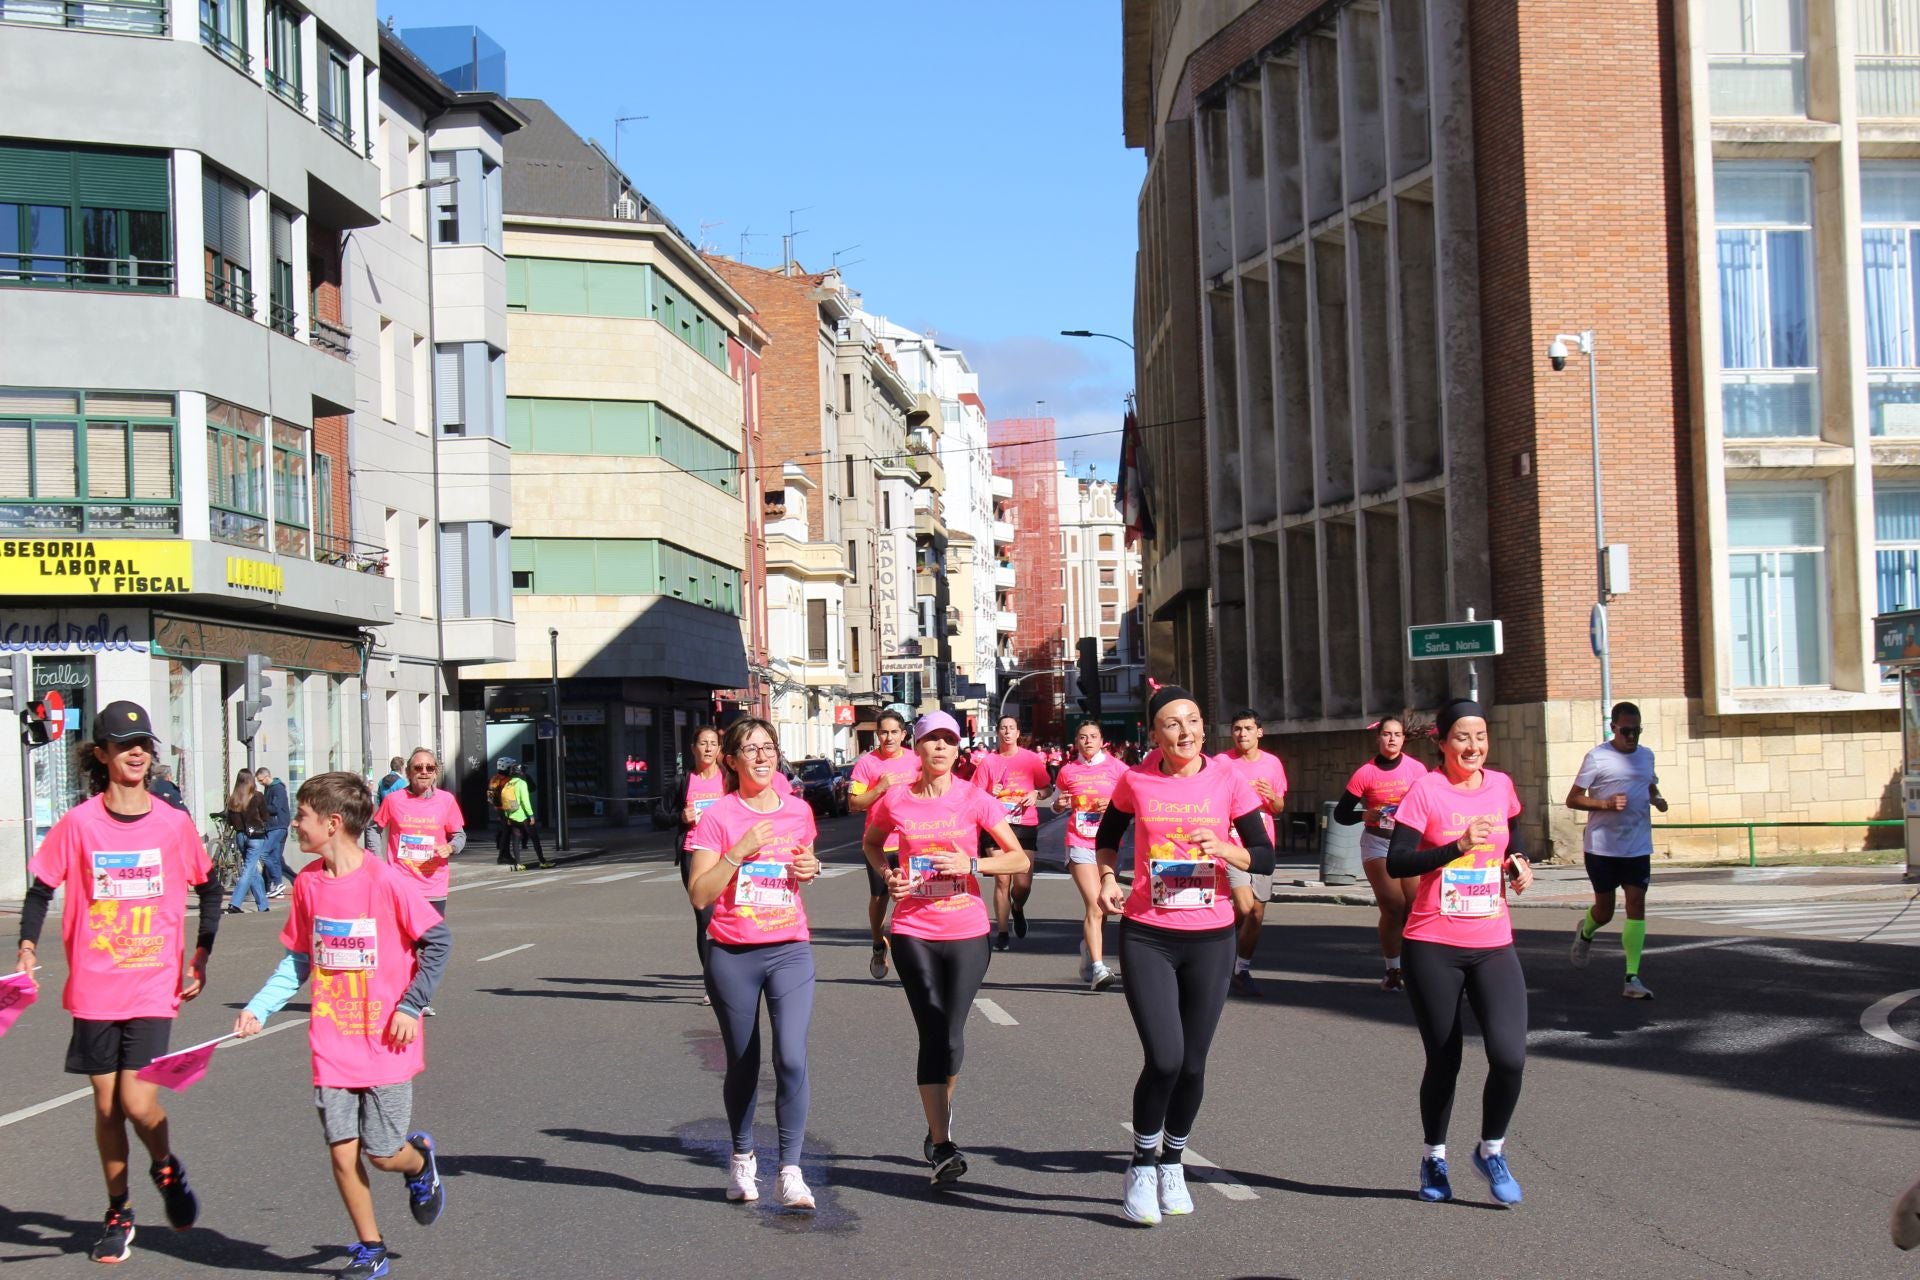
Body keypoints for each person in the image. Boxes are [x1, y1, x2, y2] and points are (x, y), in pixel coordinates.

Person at [14, 703, 222, 1263]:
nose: (136, 752)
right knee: (107, 1107)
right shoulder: (79, 824)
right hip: (94, 986)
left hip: (152, 983)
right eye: (124, 743)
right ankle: (118, 1210)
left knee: (136, 1099)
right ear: (101, 754)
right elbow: (40, 887)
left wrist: (201, 952)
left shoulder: (173, 823)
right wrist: (28, 944)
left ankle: (165, 1165)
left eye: (144, 743)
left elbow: (209, 885)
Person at [234, 771, 451, 1280]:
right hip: (332, 1043)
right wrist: (259, 1007)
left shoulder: (387, 881)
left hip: (386, 1044)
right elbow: (298, 961)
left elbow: (438, 943)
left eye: (302, 818)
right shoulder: (307, 884)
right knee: (342, 1151)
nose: (294, 828)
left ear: (332, 824)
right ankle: (369, 1247)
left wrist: (410, 1005)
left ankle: (418, 1162)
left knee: (381, 1153)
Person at [1093, 687, 1273, 1226]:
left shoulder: (1227, 778)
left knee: (1193, 1064)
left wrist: (1225, 850)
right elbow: (1107, 836)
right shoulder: (1136, 779)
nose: (1186, 731)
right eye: (1172, 724)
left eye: (1193, 720)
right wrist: (1107, 878)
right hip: (1148, 932)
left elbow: (1261, 854)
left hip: (1212, 936)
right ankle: (1142, 1165)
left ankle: (1173, 1160)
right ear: (1154, 734)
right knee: (1165, 1058)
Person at [863, 711, 1028, 1186]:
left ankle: (939, 1125)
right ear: (917, 748)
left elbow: (1015, 856)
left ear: (959, 750)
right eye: (931, 740)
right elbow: (873, 844)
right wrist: (890, 874)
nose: (939, 748)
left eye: (948, 741)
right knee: (933, 1028)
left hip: (968, 929)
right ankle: (942, 1144)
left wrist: (972, 862)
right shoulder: (895, 799)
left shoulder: (975, 799)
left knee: (952, 1033)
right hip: (914, 927)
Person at [1385, 698, 1533, 1207]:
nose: (1474, 746)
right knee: (1444, 1059)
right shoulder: (1426, 791)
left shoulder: (1501, 786)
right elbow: (1400, 861)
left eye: (1481, 737)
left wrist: (1517, 863)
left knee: (1510, 1056)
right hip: (1432, 943)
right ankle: (1434, 1156)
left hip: (1493, 942)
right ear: (1442, 743)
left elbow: (1514, 836)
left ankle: (1491, 1149)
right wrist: (1456, 847)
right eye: (1463, 738)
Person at [685, 718, 822, 1210]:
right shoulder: (717, 817)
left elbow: (801, 867)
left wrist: (810, 868)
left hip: (789, 947)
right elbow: (699, 892)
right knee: (743, 1061)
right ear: (732, 760)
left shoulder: (800, 812)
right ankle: (743, 1158)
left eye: (768, 748)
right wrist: (737, 853)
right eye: (750, 749)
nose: (762, 757)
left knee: (790, 1057)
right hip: (733, 953)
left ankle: (791, 1170)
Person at [1566, 701, 1667, 999]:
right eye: (1626, 731)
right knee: (1605, 911)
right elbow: (1572, 799)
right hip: (1602, 847)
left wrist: (1658, 799)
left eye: (1637, 731)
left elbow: (1649, 785)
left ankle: (1632, 978)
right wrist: (1605, 805)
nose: (1632, 737)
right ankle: (1586, 931)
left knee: (1636, 903)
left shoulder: (1646, 756)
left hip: (1637, 846)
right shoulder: (1598, 758)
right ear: (1613, 728)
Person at [1335, 717, 1430, 991]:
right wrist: (1364, 814)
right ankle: (1393, 970)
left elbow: (1430, 803)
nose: (1391, 739)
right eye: (1386, 734)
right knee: (1393, 906)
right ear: (1378, 738)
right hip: (1378, 843)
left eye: (1397, 734)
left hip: (1410, 844)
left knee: (1414, 908)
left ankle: (1416, 966)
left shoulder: (1416, 770)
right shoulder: (1365, 773)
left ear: (1403, 739)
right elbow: (1341, 814)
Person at [1215, 711, 1288, 999]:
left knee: (1256, 915)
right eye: (1236, 729)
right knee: (1245, 907)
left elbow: (1280, 807)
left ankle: (1239, 968)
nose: (1242, 734)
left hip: (1261, 847)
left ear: (1260, 732)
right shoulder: (1222, 763)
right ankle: (1216, 953)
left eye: (1247, 728)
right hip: (1232, 844)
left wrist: (1272, 796)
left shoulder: (1272, 764)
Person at [1052, 720, 1128, 990]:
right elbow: (1057, 803)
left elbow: (1132, 802)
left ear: (1102, 740)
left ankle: (1088, 952)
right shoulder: (1068, 771)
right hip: (1079, 842)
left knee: (1104, 906)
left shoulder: (1118, 769)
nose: (1087, 741)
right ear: (1076, 741)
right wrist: (1058, 804)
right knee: (1095, 905)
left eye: (1093, 736)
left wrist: (1115, 804)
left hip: (1108, 846)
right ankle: (1098, 968)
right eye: (1082, 737)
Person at [848, 710, 920, 981]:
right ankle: (878, 944)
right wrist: (879, 788)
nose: (888, 737)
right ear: (877, 734)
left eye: (893, 732)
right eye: (883, 732)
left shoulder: (916, 761)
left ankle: (913, 948)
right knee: (880, 896)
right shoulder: (867, 764)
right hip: (879, 843)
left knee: (913, 896)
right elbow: (854, 804)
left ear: (903, 734)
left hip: (911, 841)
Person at [972, 714, 1052, 950]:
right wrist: (990, 792)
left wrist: (1036, 795)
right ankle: (1003, 932)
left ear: (1018, 734)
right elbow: (974, 797)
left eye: (1011, 728)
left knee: (1023, 883)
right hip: (996, 824)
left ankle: (1017, 908)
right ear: (998, 733)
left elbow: (1047, 788)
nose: (1007, 732)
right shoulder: (988, 762)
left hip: (1024, 823)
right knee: (1002, 879)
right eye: (1003, 728)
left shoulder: (1031, 760)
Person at [370, 749, 466, 916]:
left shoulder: (446, 800)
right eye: (418, 767)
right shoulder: (393, 800)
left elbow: (459, 835)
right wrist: (377, 862)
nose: (424, 772)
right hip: (401, 884)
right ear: (408, 772)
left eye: (429, 768)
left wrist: (450, 848)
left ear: (435, 773)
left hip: (433, 885)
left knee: (433, 940)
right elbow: (373, 828)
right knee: (403, 940)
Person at [668, 727, 726, 979]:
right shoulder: (682, 782)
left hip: (727, 854)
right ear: (693, 748)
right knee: (705, 918)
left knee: (727, 914)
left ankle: (732, 973)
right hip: (693, 853)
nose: (709, 748)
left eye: (714, 743)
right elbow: (659, 815)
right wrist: (680, 816)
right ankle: (711, 979)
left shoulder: (729, 779)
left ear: (720, 749)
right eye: (703, 743)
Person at [225, 770, 274, 915]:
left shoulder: (234, 798)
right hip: (256, 837)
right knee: (248, 869)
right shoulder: (257, 796)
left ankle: (263, 905)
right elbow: (265, 816)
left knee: (252, 869)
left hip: (241, 836)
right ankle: (234, 903)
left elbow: (230, 820)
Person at [504, 763, 549, 872]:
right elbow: (525, 801)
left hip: (512, 816)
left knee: (515, 840)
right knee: (534, 838)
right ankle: (542, 862)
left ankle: (519, 864)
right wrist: (531, 815)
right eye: (523, 771)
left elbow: (506, 802)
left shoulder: (508, 784)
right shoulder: (521, 783)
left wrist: (508, 817)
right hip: (523, 816)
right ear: (520, 772)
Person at [256, 767, 292, 900]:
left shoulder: (277, 789)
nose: (261, 783)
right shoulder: (269, 788)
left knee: (263, 853)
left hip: (277, 826)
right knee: (274, 856)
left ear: (267, 777)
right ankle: (278, 887)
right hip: (274, 826)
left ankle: (277, 884)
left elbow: (275, 808)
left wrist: (260, 807)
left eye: (261, 780)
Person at [486, 760, 515, 867]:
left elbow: (490, 797)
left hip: (499, 808)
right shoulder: (508, 780)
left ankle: (505, 854)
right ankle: (503, 855)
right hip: (507, 809)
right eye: (511, 768)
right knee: (507, 833)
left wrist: (496, 806)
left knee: (504, 832)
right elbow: (511, 795)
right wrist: (514, 809)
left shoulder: (494, 779)